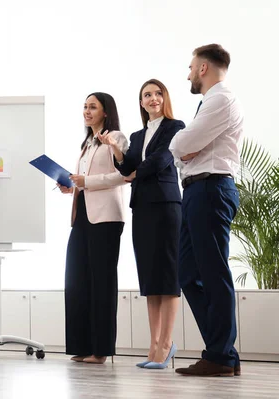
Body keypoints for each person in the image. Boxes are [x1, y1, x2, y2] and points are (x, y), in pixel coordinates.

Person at [169, 44, 243, 377]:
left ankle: (221, 355)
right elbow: (186, 148)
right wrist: (185, 149)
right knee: (188, 274)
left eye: (190, 67)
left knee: (213, 273)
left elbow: (181, 145)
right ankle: (222, 350)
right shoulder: (211, 102)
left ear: (202, 68)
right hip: (198, 190)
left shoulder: (220, 99)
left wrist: (183, 148)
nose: (187, 73)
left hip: (211, 189)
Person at [100, 79, 185, 369]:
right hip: (143, 208)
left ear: (165, 98)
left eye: (158, 93)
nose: (153, 98)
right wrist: (115, 148)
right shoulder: (136, 136)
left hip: (167, 206)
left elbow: (162, 159)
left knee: (168, 276)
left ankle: (166, 344)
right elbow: (125, 167)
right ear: (140, 102)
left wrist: (134, 173)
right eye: (147, 95)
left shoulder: (175, 127)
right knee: (150, 279)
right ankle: (153, 345)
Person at [58, 92, 127, 364]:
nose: (86, 111)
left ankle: (101, 350)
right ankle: (83, 345)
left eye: (92, 107)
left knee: (102, 283)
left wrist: (87, 180)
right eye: (85, 107)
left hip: (107, 218)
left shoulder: (117, 138)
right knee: (76, 281)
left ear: (105, 112)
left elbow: (124, 175)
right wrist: (72, 184)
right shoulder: (86, 143)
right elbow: (85, 181)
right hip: (83, 216)